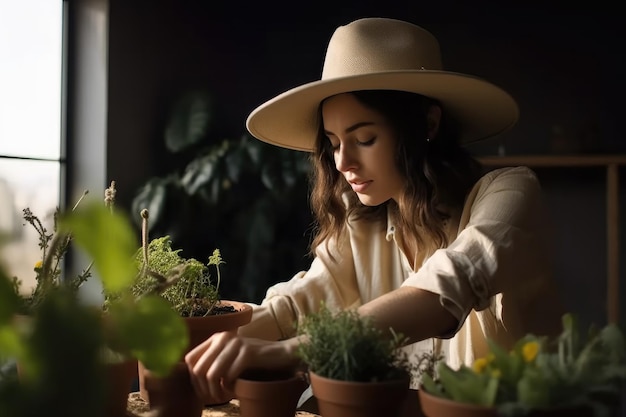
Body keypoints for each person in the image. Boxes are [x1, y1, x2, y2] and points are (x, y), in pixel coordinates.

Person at [185, 17, 564, 404]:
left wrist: (285, 352)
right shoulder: (362, 226)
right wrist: (198, 347)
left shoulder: (510, 193)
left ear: (427, 123)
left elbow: (446, 289)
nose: (342, 162)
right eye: (333, 143)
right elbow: (293, 308)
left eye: (364, 138)